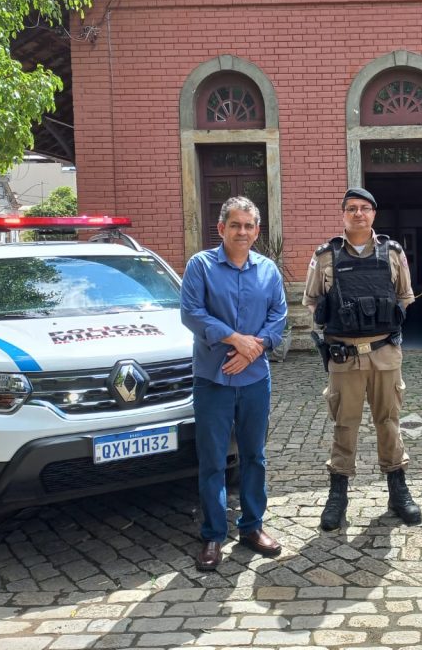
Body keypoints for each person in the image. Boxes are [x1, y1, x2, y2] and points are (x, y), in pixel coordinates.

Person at [180, 196, 288, 571]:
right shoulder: (201, 266)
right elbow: (191, 313)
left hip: (255, 379)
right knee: (212, 459)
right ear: (221, 228)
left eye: (249, 226)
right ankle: (213, 534)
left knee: (254, 455)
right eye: (235, 225)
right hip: (213, 379)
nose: (242, 231)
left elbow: (279, 315)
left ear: (257, 231)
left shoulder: (268, 271)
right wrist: (233, 339)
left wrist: (253, 349)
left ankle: (252, 527)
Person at [304, 188, 420, 530]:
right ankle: (338, 495)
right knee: (345, 426)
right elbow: (312, 301)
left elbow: (405, 296)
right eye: (352, 209)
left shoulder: (393, 252)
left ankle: (398, 491)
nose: (358, 214)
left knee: (389, 422)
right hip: (344, 356)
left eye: (365, 208)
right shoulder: (325, 256)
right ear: (343, 215)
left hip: (384, 353)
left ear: (374, 214)